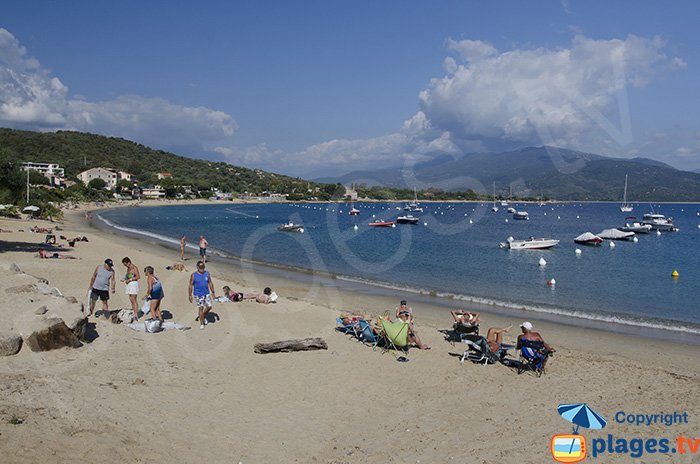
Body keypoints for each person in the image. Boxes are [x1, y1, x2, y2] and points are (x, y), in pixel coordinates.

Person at [188, 261, 216, 329]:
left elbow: (210, 282)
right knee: (201, 308)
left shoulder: (207, 274)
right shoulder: (193, 275)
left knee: (209, 306)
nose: (202, 269)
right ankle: (201, 323)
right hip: (198, 294)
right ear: (197, 267)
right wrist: (190, 295)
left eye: (203, 267)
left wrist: (213, 292)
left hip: (206, 293)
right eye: (200, 268)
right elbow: (190, 285)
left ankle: (202, 316)